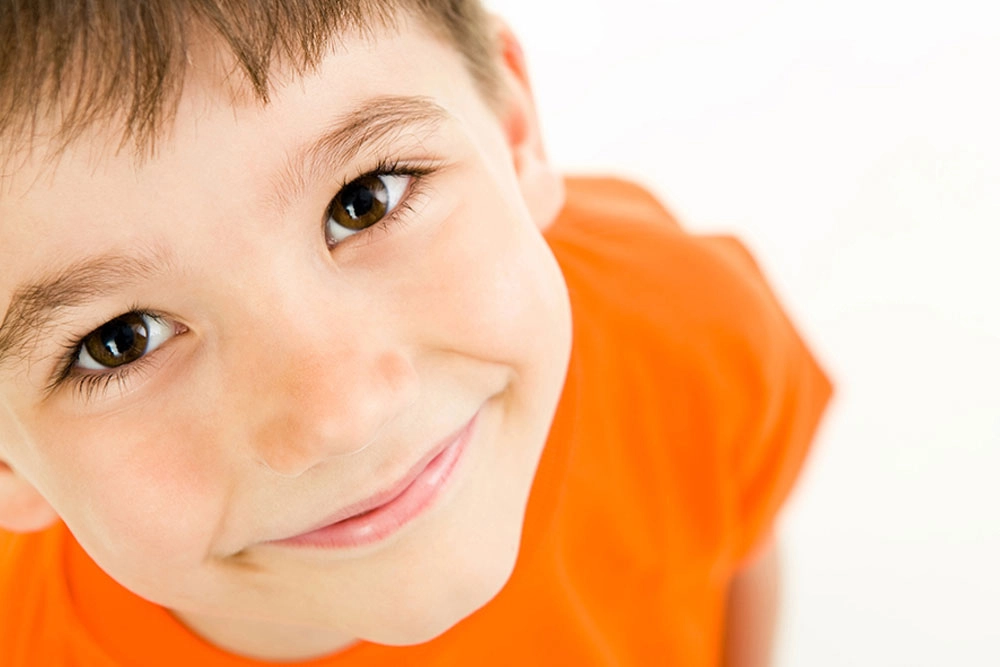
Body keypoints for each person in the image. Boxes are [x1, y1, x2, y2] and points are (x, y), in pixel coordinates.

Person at [0, 1, 832, 665]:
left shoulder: (685, 330)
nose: (340, 414)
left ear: (513, 132)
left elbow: (732, 544)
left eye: (364, 199)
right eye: (122, 339)